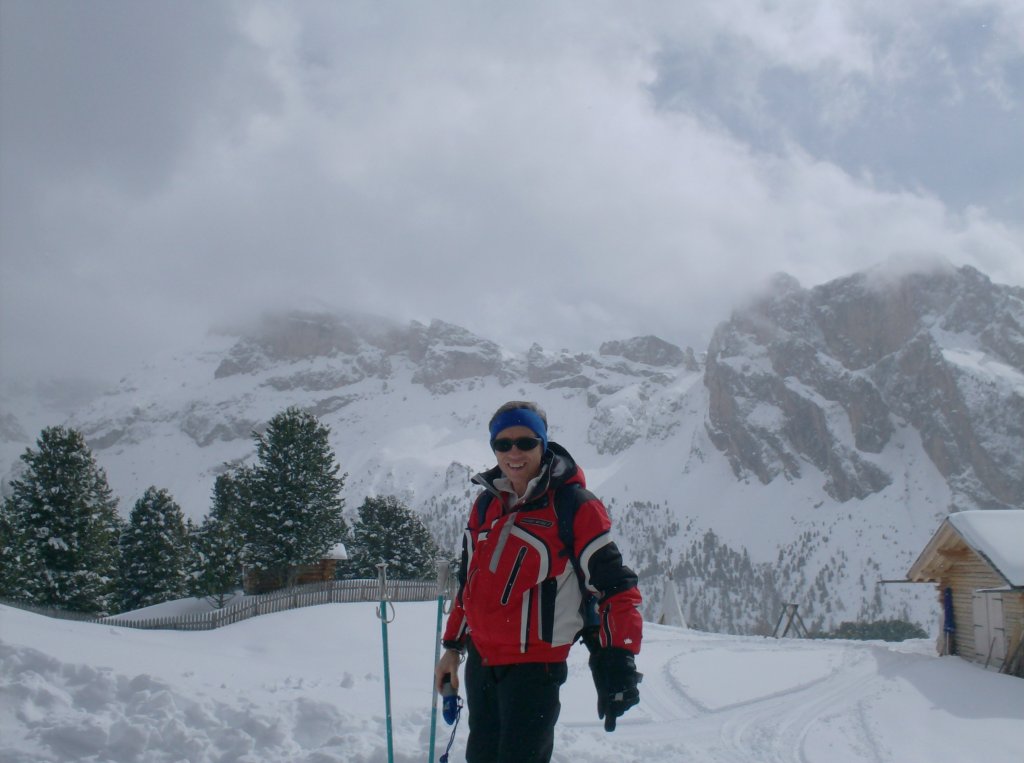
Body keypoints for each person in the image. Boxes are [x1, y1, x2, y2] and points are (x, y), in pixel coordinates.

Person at [434, 401, 643, 763]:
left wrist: (619, 658)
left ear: (543, 444)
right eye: (503, 444)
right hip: (482, 663)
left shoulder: (574, 505)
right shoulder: (486, 504)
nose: (514, 452)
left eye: (526, 442)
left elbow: (616, 586)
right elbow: (469, 584)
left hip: (536, 668)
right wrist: (453, 647)